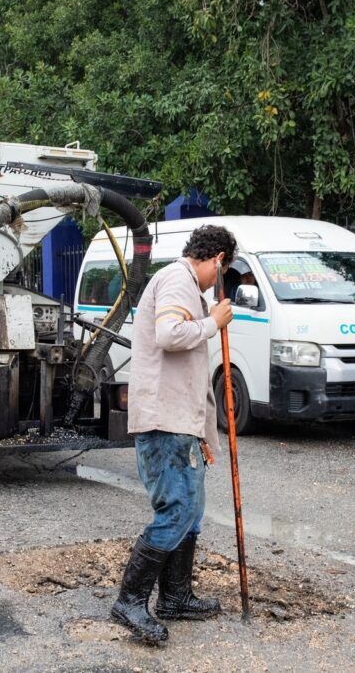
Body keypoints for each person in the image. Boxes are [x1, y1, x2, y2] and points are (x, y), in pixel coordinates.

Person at [111, 225, 236, 644]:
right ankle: (130, 601)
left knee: (191, 511)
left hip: (179, 421)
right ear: (217, 259)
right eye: (223, 271)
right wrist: (212, 322)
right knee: (177, 511)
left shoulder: (185, 287)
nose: (218, 283)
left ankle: (175, 596)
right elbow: (168, 336)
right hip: (164, 421)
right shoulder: (178, 281)